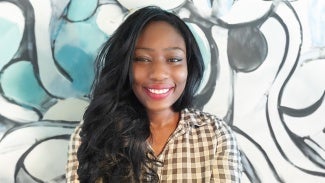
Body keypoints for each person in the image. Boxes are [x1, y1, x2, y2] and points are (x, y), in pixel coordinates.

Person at [66, 6, 242, 183]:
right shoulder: (92, 134)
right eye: (142, 59)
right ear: (125, 65)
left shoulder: (215, 135)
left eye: (174, 59)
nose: (158, 73)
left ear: (189, 66)